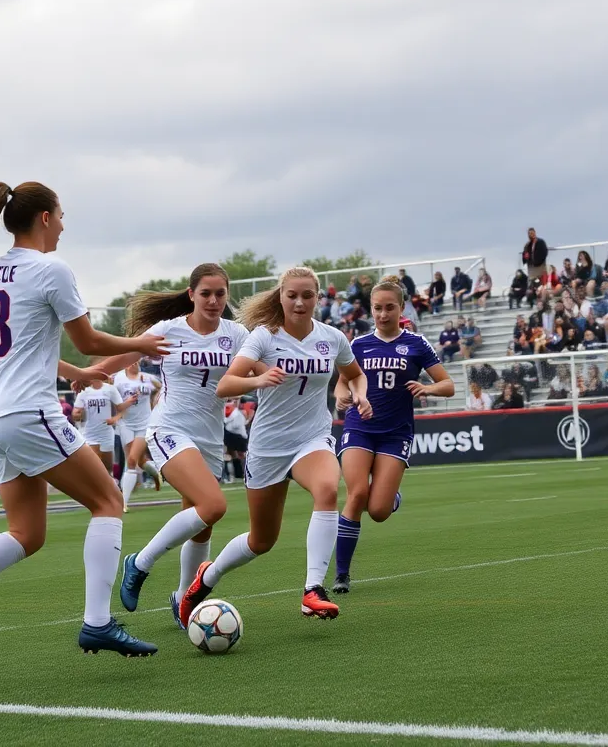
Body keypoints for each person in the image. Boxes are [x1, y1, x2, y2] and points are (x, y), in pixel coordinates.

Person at [0, 180, 167, 666]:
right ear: (44, 217)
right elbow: (85, 339)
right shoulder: (51, 268)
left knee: (28, 534)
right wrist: (144, 345)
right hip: (28, 414)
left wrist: (72, 373)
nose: (64, 225)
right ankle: (98, 623)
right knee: (108, 501)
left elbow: (14, 348)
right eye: (61, 215)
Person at [179, 266, 369, 626]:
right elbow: (225, 384)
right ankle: (208, 575)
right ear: (280, 296)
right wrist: (261, 378)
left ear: (319, 298)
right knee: (261, 541)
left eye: (307, 295)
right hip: (268, 447)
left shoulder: (333, 338)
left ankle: (313, 590)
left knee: (328, 487)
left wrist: (358, 394)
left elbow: (354, 373)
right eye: (292, 295)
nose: (299, 302)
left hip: (312, 439)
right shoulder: (264, 337)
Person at [90, 264, 247, 628]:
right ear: (191, 295)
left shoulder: (237, 334)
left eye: (220, 294)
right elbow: (122, 359)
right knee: (214, 505)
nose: (213, 300)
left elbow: (258, 367)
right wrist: (87, 374)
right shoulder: (168, 330)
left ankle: (182, 601)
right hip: (168, 429)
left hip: (210, 439)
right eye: (205, 293)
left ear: (227, 296)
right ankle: (139, 562)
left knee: (202, 524)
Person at [327, 276, 454, 592]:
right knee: (356, 494)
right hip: (359, 426)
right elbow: (343, 382)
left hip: (396, 433)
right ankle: (341, 575)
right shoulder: (357, 344)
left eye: (389, 308)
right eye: (377, 308)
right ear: (370, 309)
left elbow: (448, 385)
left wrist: (427, 387)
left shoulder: (416, 344)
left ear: (402, 308)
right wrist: (341, 395)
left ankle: (389, 496)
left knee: (379, 511)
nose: (383, 315)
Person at [72, 377, 132, 498]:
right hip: (89, 432)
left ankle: (111, 488)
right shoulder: (84, 392)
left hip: (106, 431)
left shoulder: (110, 390)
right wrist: (77, 414)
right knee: (94, 463)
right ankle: (96, 492)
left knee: (107, 466)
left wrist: (115, 419)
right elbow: (75, 412)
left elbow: (121, 409)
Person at [112, 362, 162, 506]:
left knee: (132, 460)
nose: (134, 364)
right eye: (131, 361)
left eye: (137, 361)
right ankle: (155, 473)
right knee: (137, 460)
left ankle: (123, 503)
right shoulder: (118, 379)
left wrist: (155, 404)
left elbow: (162, 388)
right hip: (125, 423)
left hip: (144, 423)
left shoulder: (147, 378)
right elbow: (112, 398)